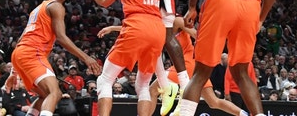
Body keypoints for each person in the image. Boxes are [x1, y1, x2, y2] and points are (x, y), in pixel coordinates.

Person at [81, 0, 166, 116]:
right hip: (157, 29)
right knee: (142, 85)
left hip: (137, 24)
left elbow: (105, 1)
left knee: (105, 80)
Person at [98, 16, 247, 116]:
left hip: (184, 64)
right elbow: (137, 29)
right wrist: (112, 28)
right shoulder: (158, 24)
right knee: (213, 102)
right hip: (193, 67)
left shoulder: (176, 20)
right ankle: (243, 114)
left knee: (151, 90)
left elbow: (198, 35)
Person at [10, 0, 101, 116]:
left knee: (46, 95)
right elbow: (61, 37)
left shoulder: (38, 9)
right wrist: (86, 58)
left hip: (21, 53)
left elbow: (20, 39)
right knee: (54, 93)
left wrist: (14, 71)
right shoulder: (56, 6)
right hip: (33, 52)